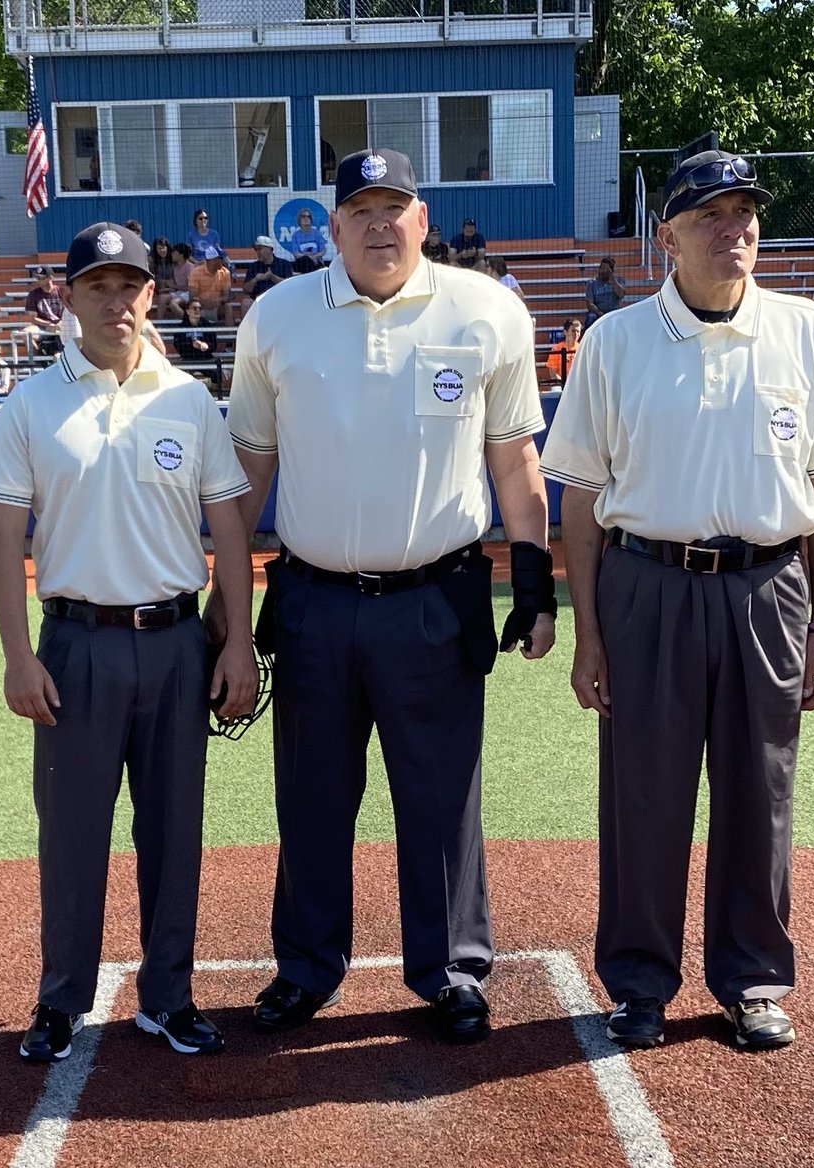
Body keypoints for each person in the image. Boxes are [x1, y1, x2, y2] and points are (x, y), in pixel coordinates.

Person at [540, 149, 814, 1053]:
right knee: (643, 797)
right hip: (646, 584)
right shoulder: (615, 341)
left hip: (771, 587)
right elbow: (577, 495)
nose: (735, 231)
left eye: (744, 213)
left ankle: (753, 980)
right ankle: (640, 984)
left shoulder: (807, 330)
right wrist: (589, 633)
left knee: (759, 795)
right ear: (668, 237)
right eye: (710, 216)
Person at [222, 148, 557, 1045]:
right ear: (329, 227)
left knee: (442, 796)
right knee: (313, 798)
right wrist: (217, 603)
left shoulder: (487, 309)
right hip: (314, 602)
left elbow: (517, 460)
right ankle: (306, 967)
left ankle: (451, 969)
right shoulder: (277, 317)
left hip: (434, 599)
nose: (378, 223)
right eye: (360, 208)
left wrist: (535, 581)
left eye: (394, 207)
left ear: (424, 218)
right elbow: (244, 478)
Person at [0, 221, 257, 1064]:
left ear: (150, 294)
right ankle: (61, 1000)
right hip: (74, 647)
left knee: (174, 833)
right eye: (96, 285)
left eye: (128, 285)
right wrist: (17, 655)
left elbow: (230, 536)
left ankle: (168, 997)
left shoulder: (189, 401)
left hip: (175, 641)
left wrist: (236, 641)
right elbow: (1, 538)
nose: (115, 300)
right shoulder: (32, 402)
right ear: (69, 297)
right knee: (72, 834)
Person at [23, 266, 64, 357]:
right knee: (26, 334)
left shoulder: (61, 291)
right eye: (37, 277)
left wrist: (60, 324)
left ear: (50, 278)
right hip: (42, 327)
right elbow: (33, 318)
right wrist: (48, 324)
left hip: (62, 325)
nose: (38, 280)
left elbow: (70, 312)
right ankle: (40, 356)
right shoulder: (33, 294)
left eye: (40, 278)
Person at [242, 235, 293, 305]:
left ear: (270, 249)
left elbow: (290, 285)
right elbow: (246, 290)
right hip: (258, 300)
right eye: (255, 249)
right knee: (246, 303)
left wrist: (272, 277)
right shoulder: (253, 266)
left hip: (279, 299)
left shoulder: (284, 264)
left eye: (260, 249)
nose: (257, 252)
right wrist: (255, 280)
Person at [188, 247, 232, 326]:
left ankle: (230, 334)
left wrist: (218, 301)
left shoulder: (225, 273)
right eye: (221, 258)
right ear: (213, 260)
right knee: (194, 307)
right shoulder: (196, 272)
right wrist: (204, 303)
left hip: (217, 306)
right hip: (200, 307)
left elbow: (226, 296)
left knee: (228, 307)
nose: (223, 261)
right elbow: (192, 296)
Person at [583, 255, 626, 326]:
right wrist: (600, 313)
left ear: (611, 271)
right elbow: (590, 304)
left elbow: (621, 294)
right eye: (600, 268)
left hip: (613, 312)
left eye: (605, 269)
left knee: (622, 317)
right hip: (598, 313)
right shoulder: (591, 283)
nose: (601, 271)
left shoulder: (619, 281)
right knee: (590, 317)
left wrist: (613, 282)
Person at [544, 318, 582, 386]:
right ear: (565, 332)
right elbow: (553, 373)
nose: (576, 334)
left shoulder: (582, 348)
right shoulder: (556, 349)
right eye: (573, 331)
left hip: (578, 385)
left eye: (578, 331)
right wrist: (564, 385)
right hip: (560, 385)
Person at [164, 243, 196, 321]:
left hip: (188, 293)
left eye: (174, 253)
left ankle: (188, 321)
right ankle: (160, 323)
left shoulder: (189, 267)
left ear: (181, 255)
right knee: (162, 298)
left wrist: (174, 286)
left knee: (173, 303)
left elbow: (190, 288)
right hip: (179, 292)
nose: (172, 254)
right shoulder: (175, 267)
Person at [149, 236, 175, 317]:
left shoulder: (173, 259)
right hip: (157, 288)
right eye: (159, 248)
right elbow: (151, 276)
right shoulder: (151, 260)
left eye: (164, 248)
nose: (162, 250)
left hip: (172, 288)